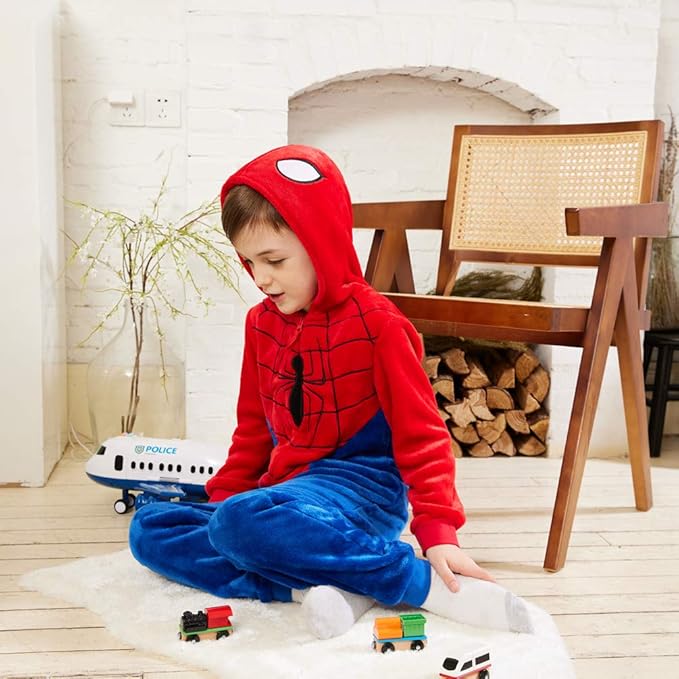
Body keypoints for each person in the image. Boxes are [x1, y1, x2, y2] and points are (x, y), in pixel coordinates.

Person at [129, 145, 533, 639]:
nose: (261, 278)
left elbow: (423, 436)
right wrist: (223, 506)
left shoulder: (380, 326)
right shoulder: (260, 325)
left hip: (362, 495)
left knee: (239, 522)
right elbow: (253, 431)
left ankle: (416, 582)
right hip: (283, 495)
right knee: (151, 528)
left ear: (320, 243)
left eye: (274, 260)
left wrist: (438, 534)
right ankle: (321, 587)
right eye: (249, 261)